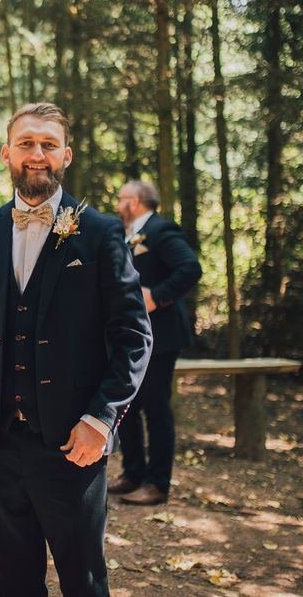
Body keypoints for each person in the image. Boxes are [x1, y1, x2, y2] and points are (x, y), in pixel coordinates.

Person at [0, 102, 152, 596]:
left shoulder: (99, 233)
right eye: (28, 143)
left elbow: (134, 335)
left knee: (84, 580)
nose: (38, 154)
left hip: (73, 442)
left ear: (66, 156)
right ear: (6, 152)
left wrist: (102, 419)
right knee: (13, 581)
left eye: (49, 145)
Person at [109, 180, 202, 505]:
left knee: (156, 407)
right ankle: (133, 473)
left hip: (161, 335)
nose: (117, 204)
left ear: (135, 201)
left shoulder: (162, 230)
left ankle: (157, 482)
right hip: (130, 334)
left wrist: (156, 297)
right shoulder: (128, 233)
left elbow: (190, 267)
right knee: (128, 406)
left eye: (121, 199)